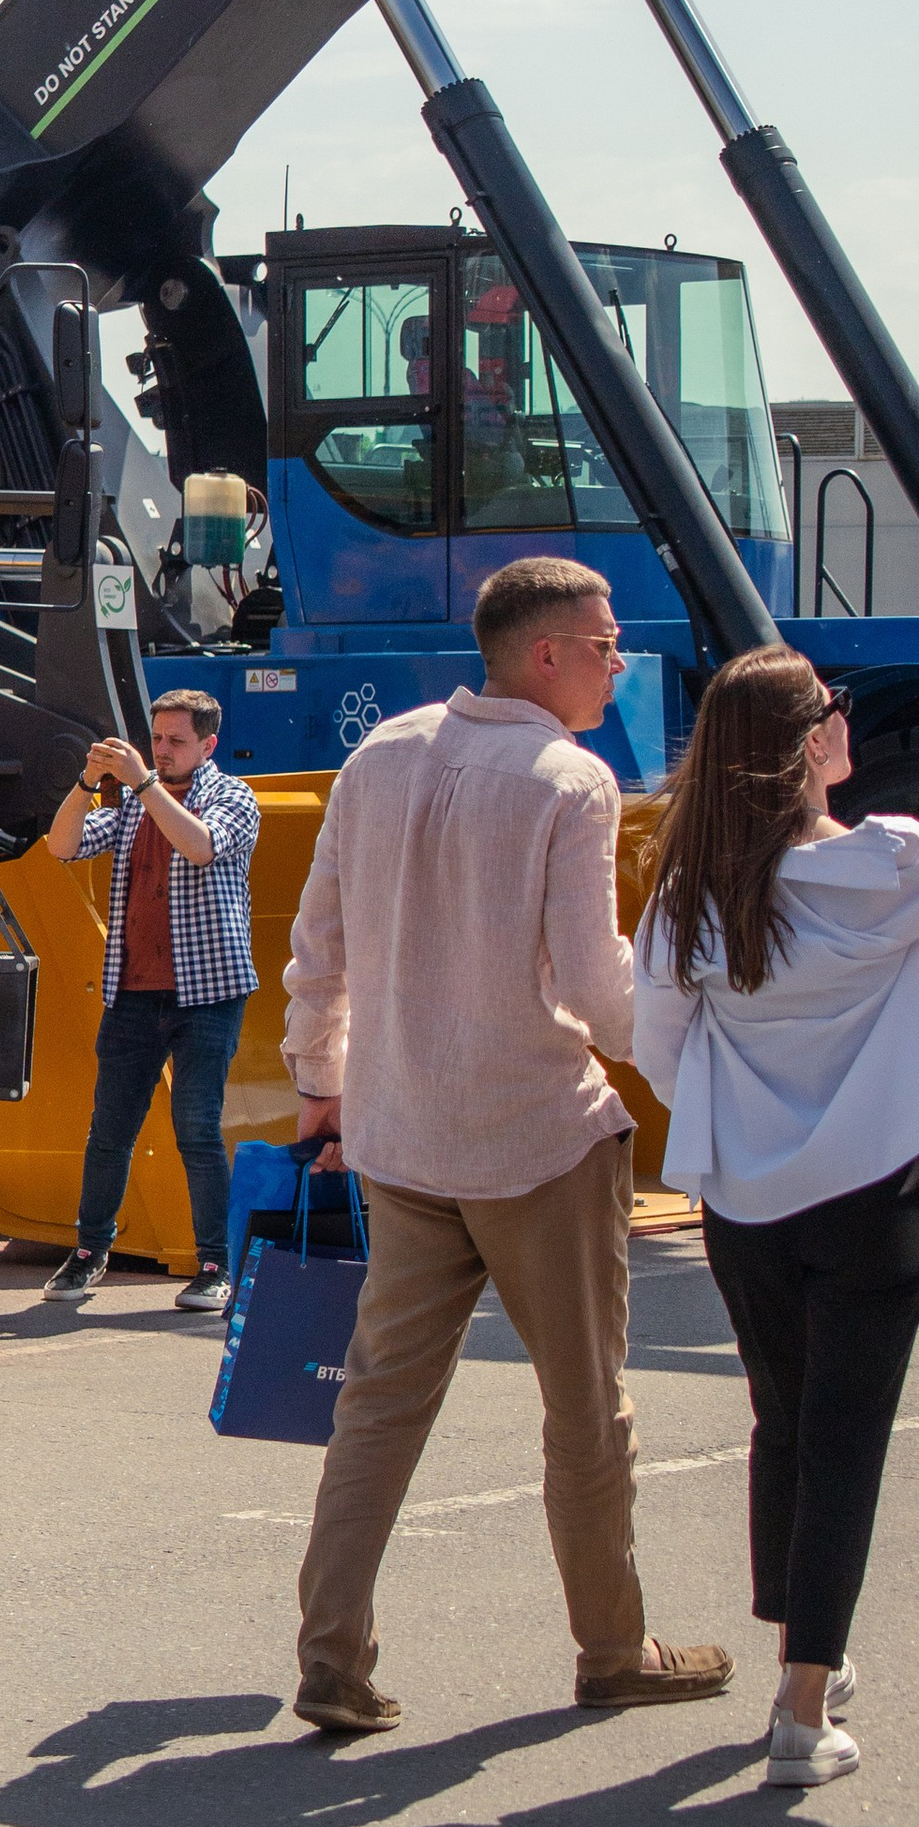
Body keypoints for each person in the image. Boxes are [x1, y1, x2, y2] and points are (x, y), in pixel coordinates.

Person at [279, 553, 734, 1736]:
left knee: (378, 1406)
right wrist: (695, 1057)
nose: (619, 665)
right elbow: (592, 985)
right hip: (538, 1134)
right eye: (606, 645)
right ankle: (613, 1649)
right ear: (547, 655)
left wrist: (320, 1082)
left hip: (400, 1132)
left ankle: (331, 1656)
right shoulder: (569, 781)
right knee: (585, 1409)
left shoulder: (378, 758)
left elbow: (319, 945)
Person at [634, 608, 919, 1786]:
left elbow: (660, 1048)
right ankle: (802, 1699)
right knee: (845, 1441)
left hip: (744, 1203)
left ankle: (803, 1648)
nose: (847, 720)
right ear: (811, 745)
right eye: (834, 710)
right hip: (874, 1194)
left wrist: (745, 1122)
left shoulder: (688, 894)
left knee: (783, 1422)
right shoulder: (884, 864)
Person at [40, 688, 260, 1311]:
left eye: (176, 741)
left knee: (197, 1130)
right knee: (109, 1131)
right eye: (157, 739)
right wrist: (86, 783)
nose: (162, 751)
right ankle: (89, 1252)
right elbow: (61, 845)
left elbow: (200, 845)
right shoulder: (137, 802)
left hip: (208, 994)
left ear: (208, 745)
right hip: (133, 992)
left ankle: (214, 1264)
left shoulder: (233, 797)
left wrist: (141, 783)